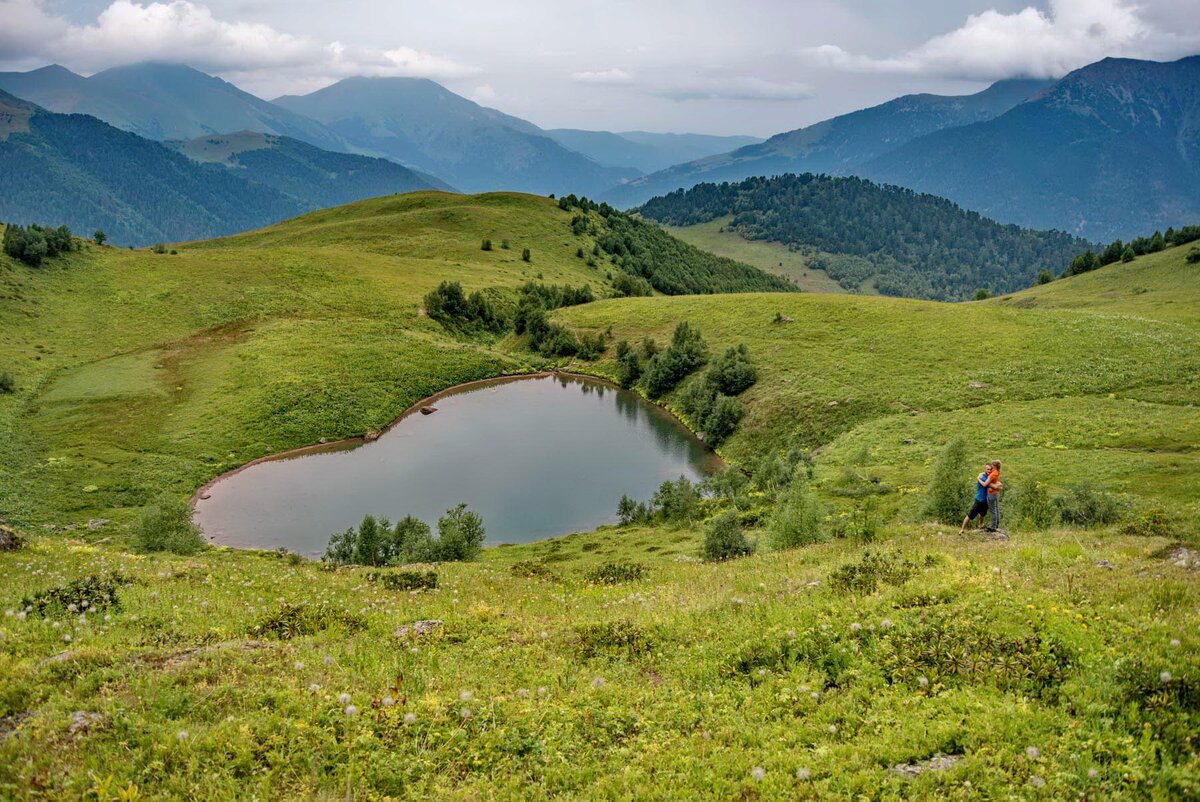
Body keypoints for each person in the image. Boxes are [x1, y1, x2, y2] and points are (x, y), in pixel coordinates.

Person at [960, 461, 994, 534]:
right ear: (985, 469)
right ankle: (962, 530)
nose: (989, 470)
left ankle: (980, 525)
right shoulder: (983, 477)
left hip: (985, 500)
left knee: (982, 514)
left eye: (990, 469)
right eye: (987, 469)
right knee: (970, 515)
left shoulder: (988, 476)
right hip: (979, 500)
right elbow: (988, 485)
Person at [985, 459, 1003, 531]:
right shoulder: (997, 472)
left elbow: (986, 483)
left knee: (993, 510)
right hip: (995, 493)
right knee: (996, 509)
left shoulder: (993, 474)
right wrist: (997, 485)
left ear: (995, 466)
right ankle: (996, 524)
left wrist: (980, 478)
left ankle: (992, 527)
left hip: (991, 493)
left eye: (992, 465)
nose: (991, 466)